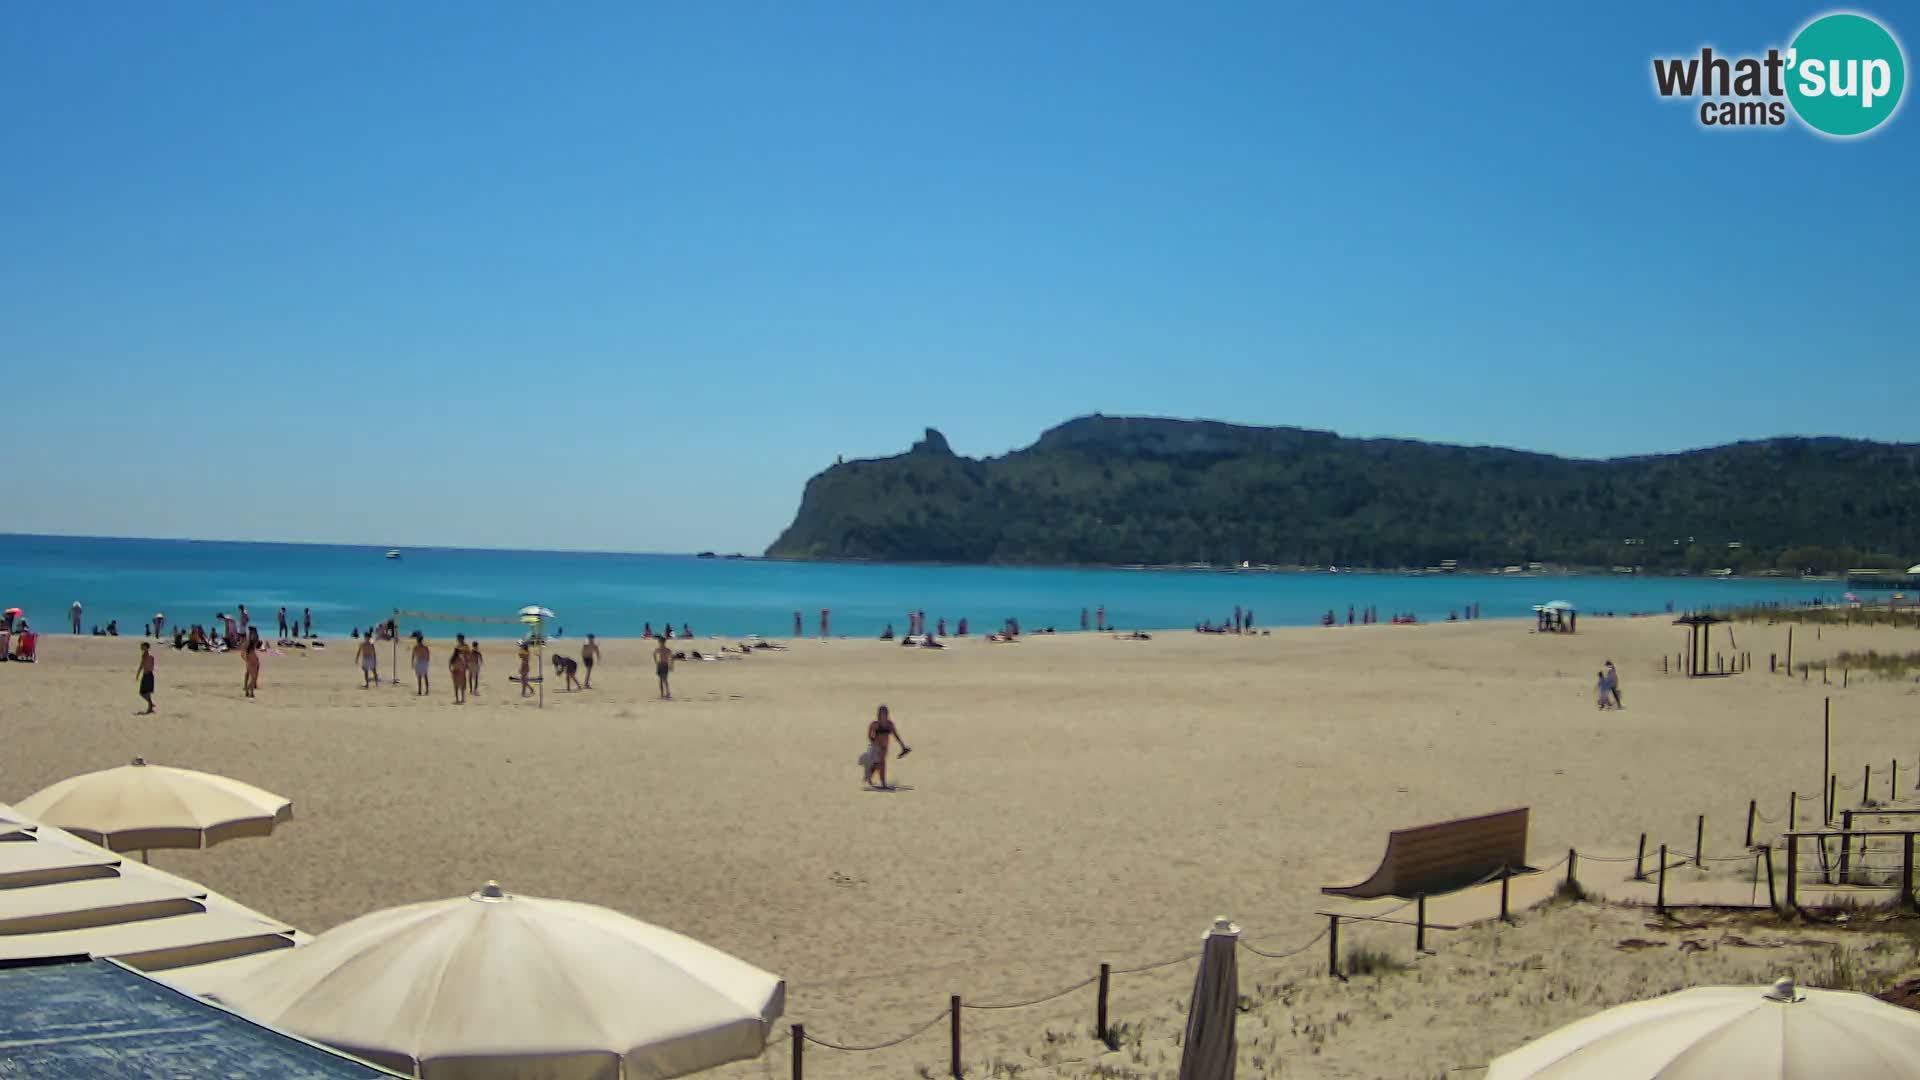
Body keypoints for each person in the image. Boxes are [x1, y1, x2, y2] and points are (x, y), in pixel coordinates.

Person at [863, 705, 905, 789]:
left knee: (881, 763)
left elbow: (896, 735)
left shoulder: (889, 725)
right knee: (879, 763)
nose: (883, 717)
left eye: (884, 714)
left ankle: (877, 780)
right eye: (881, 714)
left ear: (887, 715)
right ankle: (879, 781)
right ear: (878, 715)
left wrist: (902, 746)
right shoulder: (875, 724)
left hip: (885, 747)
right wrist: (873, 743)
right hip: (876, 747)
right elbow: (869, 735)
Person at [136, 642, 156, 713]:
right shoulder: (150, 655)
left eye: (143, 646)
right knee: (148, 693)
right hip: (150, 675)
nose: (141, 647)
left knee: (142, 693)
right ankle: (150, 708)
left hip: (147, 675)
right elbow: (152, 666)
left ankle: (150, 704)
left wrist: (138, 674)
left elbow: (141, 666)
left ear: (146, 647)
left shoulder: (145, 656)